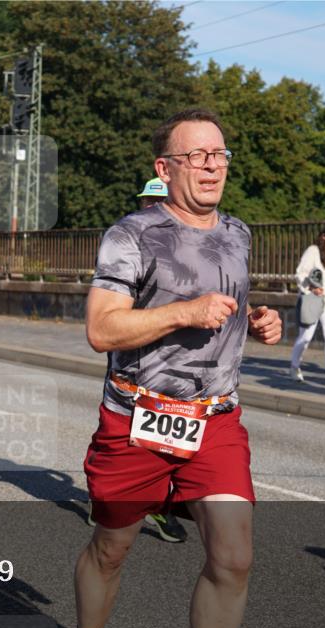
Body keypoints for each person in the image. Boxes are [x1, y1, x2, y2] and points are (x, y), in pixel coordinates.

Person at [71, 108, 282, 628]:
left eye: (219, 155)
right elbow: (101, 329)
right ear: (165, 168)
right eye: (197, 157)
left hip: (215, 420)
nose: (212, 167)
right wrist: (185, 311)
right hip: (136, 419)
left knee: (234, 558)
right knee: (111, 549)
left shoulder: (238, 233)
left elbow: (223, 308)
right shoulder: (132, 235)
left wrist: (256, 322)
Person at [132, 175, 189, 544]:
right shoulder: (128, 240)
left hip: (182, 355)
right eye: (147, 203)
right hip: (136, 352)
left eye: (159, 203)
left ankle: (158, 502)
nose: (152, 210)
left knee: (173, 434)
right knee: (128, 431)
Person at [289, 225, 325, 387]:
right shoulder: (313, 251)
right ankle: (295, 366)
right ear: (323, 236)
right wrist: (311, 288)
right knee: (306, 337)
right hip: (313, 299)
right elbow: (301, 273)